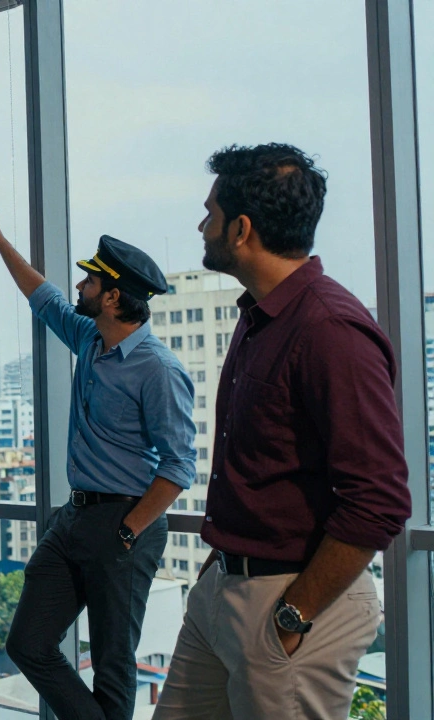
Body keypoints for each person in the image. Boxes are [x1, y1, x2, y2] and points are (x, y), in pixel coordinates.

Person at [153, 144, 411, 719]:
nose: (202, 226)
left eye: (210, 213)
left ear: (241, 229)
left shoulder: (330, 328)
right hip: (224, 587)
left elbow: (379, 501)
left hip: (290, 605)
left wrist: (294, 615)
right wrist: (218, 568)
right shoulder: (260, 316)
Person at [0, 195, 197, 720]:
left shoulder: (158, 369)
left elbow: (179, 466)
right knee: (28, 643)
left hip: (125, 524)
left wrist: (128, 531)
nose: (80, 286)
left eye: (90, 281)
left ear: (113, 297)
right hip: (74, 519)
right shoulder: (91, 339)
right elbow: (43, 296)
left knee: (113, 665)